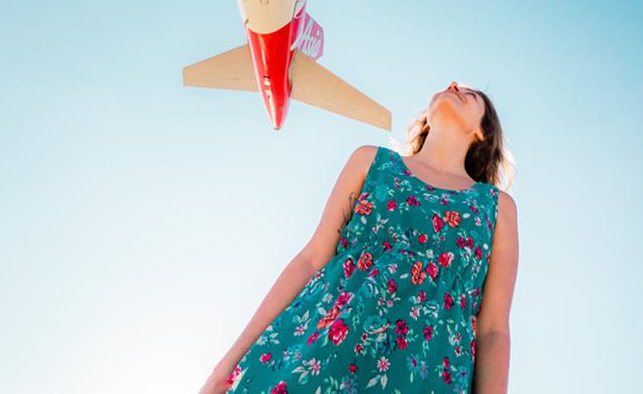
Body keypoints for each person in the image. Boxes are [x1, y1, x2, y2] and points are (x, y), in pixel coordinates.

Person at [199, 81, 518, 393]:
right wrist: (224, 368)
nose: (454, 85)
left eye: (471, 94)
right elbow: (312, 260)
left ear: (483, 132)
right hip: (324, 354)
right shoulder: (371, 162)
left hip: (425, 373)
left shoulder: (495, 207)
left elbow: (493, 330)